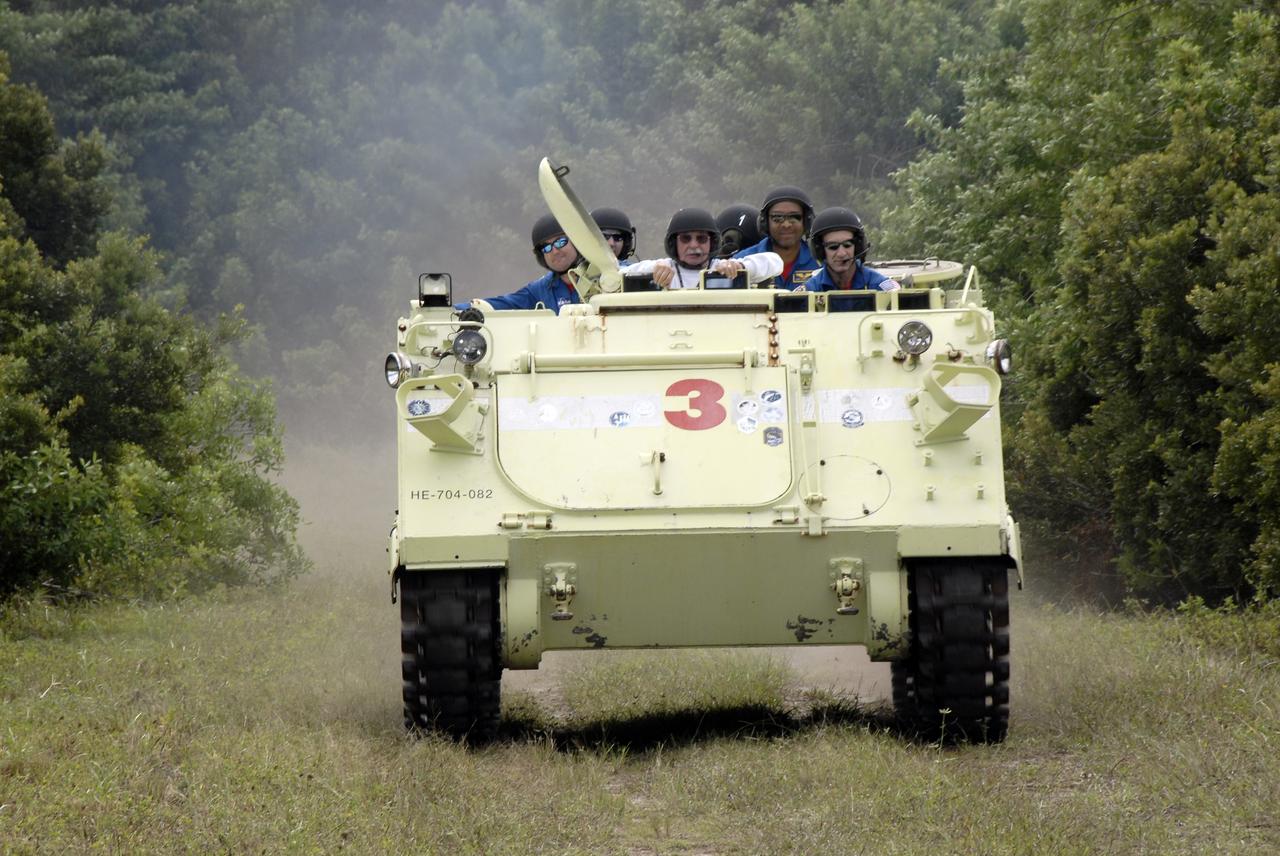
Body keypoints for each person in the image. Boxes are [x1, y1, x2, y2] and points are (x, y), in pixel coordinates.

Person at [625, 208, 781, 289]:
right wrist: (652, 271)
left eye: (701, 238)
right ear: (673, 243)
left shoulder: (722, 269)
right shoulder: (663, 268)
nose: (693, 245)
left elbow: (776, 262)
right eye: (686, 239)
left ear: (712, 243)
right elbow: (614, 277)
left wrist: (740, 266)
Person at [459, 214, 583, 314]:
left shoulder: (600, 280)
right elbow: (502, 305)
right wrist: (451, 309)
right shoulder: (540, 290)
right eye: (546, 248)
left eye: (560, 242)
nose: (555, 251)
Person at [733, 186, 821, 289]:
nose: (786, 225)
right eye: (777, 218)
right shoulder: (742, 262)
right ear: (764, 222)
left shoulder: (820, 261)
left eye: (794, 217)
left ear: (807, 222)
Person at [797, 207, 897, 292]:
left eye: (847, 245)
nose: (841, 253)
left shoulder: (878, 286)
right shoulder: (810, 290)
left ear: (857, 247)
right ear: (820, 251)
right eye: (833, 247)